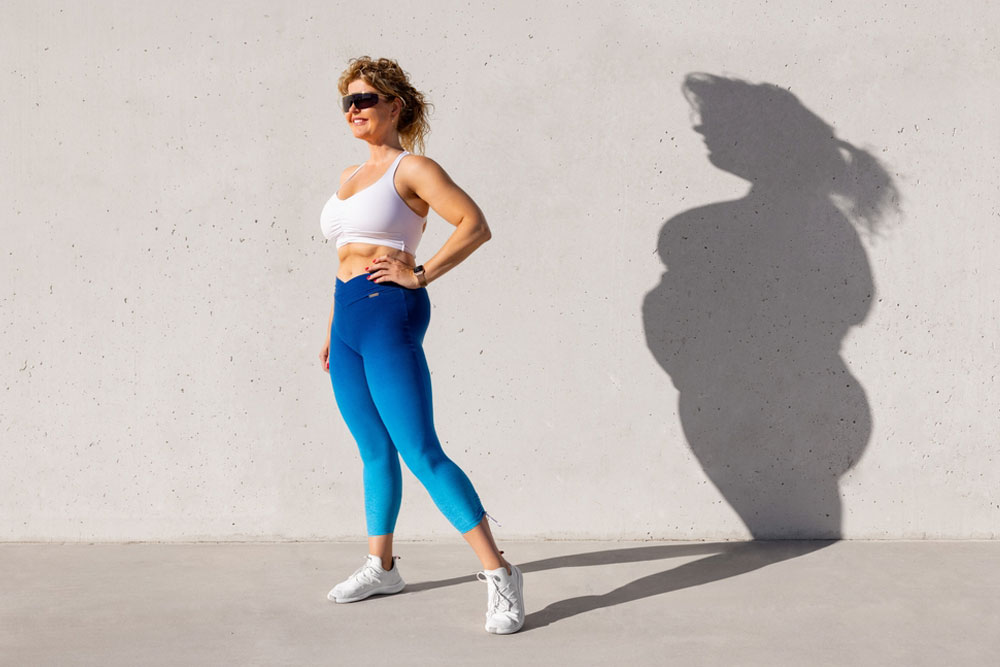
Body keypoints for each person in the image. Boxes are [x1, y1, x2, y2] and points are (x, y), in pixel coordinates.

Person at [317, 56, 524, 635]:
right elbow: (345, 258)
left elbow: (474, 223)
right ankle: (381, 566)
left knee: (420, 450)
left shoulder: (413, 168)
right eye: (347, 102)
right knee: (374, 451)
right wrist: (333, 328)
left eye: (365, 100)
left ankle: (500, 573)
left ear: (394, 106)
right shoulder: (347, 178)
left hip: (389, 313)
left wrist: (422, 272)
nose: (354, 109)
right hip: (349, 320)